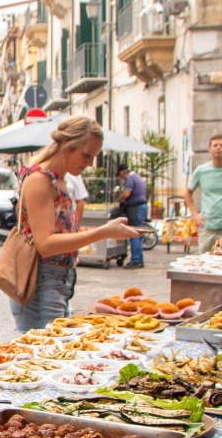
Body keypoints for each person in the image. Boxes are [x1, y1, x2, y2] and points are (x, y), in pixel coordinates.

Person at [8, 115, 139, 331]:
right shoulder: (40, 180)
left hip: (56, 279)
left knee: (54, 352)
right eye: (86, 155)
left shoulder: (58, 178)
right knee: (45, 355)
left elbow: (57, 230)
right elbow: (46, 244)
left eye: (94, 157)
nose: (89, 164)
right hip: (42, 280)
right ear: (67, 145)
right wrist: (102, 232)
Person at [185, 134, 222, 254]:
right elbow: (188, 192)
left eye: (221, 145)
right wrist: (195, 214)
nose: (218, 147)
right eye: (215, 145)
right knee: (205, 262)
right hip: (208, 227)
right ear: (209, 148)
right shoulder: (202, 171)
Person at [117, 164, 149, 268]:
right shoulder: (138, 177)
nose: (121, 178)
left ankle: (135, 260)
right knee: (138, 233)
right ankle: (139, 259)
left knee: (133, 232)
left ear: (123, 172)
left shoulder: (130, 178)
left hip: (135, 208)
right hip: (142, 206)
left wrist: (119, 198)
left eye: (120, 175)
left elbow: (127, 194)